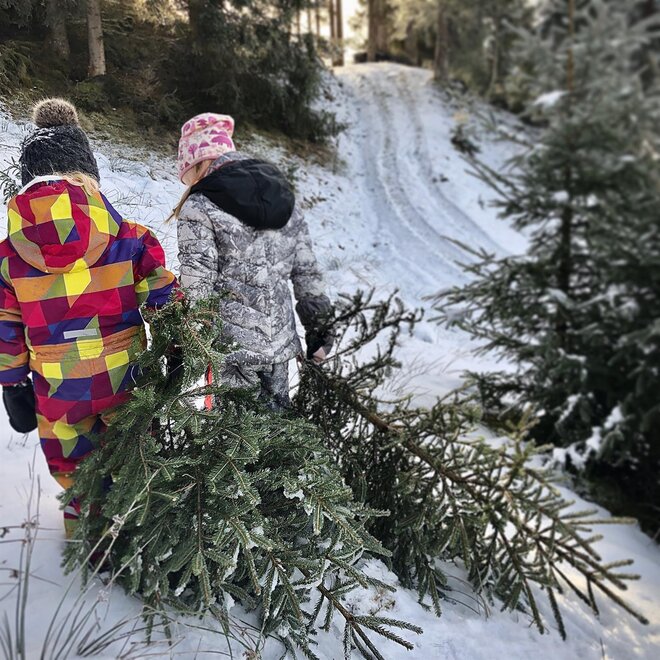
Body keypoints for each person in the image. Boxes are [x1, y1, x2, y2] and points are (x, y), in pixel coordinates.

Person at [0, 99, 178, 537]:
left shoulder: (8, 258)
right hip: (126, 380)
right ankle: (140, 536)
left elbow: (6, 328)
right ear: (88, 176)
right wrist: (179, 348)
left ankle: (89, 541)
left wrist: (12, 385)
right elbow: (164, 300)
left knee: (75, 469)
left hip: (58, 389)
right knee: (135, 457)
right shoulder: (130, 239)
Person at [174, 113, 333, 410]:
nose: (190, 183)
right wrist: (320, 329)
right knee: (276, 429)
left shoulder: (199, 205)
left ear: (198, 163)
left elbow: (197, 285)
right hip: (279, 348)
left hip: (231, 351)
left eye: (188, 177)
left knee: (232, 433)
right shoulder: (280, 195)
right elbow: (307, 272)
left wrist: (189, 341)